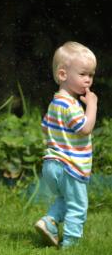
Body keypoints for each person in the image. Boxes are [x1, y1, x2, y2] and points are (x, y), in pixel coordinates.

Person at [35, 41, 98, 249]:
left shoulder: (55, 103)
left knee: (65, 199)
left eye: (91, 74)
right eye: (83, 74)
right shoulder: (71, 105)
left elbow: (45, 127)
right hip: (70, 166)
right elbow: (85, 128)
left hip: (51, 164)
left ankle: (49, 222)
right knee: (78, 206)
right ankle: (71, 244)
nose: (88, 80)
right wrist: (92, 105)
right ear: (63, 75)